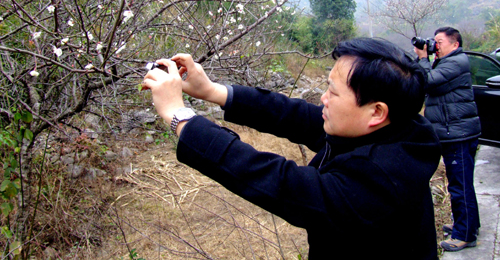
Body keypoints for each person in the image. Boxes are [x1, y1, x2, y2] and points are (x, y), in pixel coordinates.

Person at [143, 38, 441, 260]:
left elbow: (282, 184)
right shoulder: (393, 128)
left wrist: (179, 116)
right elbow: (294, 115)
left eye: (333, 93)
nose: (323, 99)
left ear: (376, 111)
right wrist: (212, 91)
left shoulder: (379, 180)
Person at [415, 27, 481, 252]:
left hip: (458, 134)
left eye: (439, 41)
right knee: (460, 183)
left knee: (460, 185)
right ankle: (468, 225)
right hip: (453, 132)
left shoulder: (456, 62)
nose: (436, 45)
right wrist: (424, 59)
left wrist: (424, 59)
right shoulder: (446, 62)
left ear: (455, 44)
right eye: (434, 41)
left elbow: (428, 82)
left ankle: (465, 235)